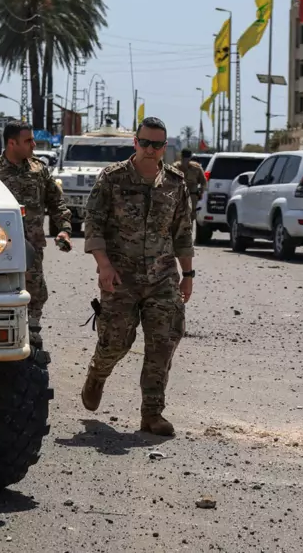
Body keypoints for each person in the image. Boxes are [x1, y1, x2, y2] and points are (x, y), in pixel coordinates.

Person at [79, 117, 194, 437]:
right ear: (135, 142)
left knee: (163, 342)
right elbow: (93, 224)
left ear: (164, 147)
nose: (150, 149)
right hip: (121, 277)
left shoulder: (175, 183)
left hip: (162, 277)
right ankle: (97, 374)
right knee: (116, 341)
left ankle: (152, 413)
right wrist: (104, 265)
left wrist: (188, 274)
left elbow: (183, 233)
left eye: (156, 145)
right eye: (144, 143)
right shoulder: (112, 178)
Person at [0, 121, 72, 344]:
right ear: (11, 143)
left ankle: (33, 332)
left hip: (31, 244)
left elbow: (56, 202)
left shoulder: (39, 170)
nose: (34, 144)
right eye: (28, 141)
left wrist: (64, 230)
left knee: (36, 288)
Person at [174, 148, 206, 213]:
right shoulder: (175, 167)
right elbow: (203, 182)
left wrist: (201, 192)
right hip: (180, 196)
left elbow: (203, 182)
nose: (185, 160)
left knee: (189, 214)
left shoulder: (196, 167)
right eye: (185, 158)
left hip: (190, 196)